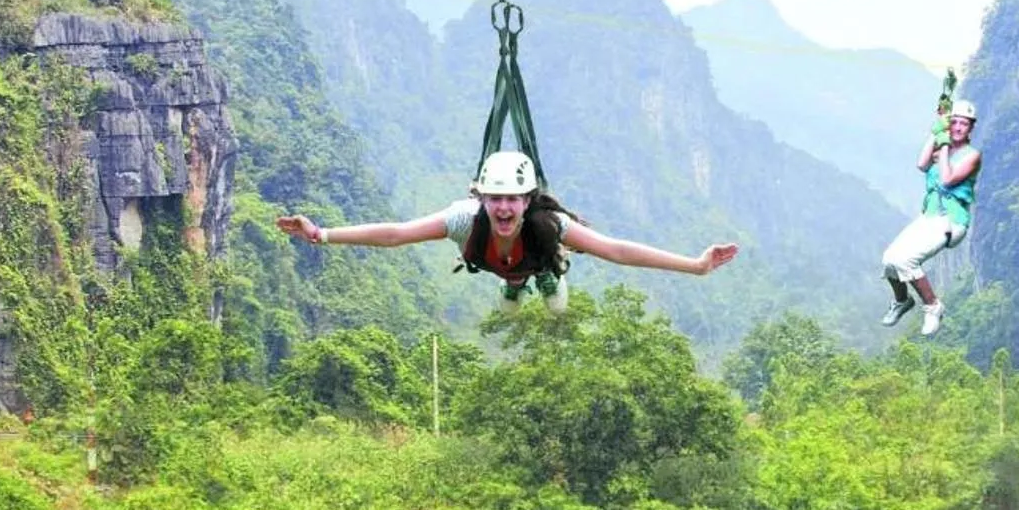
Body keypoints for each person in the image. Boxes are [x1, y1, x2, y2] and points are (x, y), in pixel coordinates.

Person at [275, 151, 740, 309]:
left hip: (536, 258)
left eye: (511, 199)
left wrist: (696, 266)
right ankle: (517, 286)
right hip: (498, 266)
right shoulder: (464, 219)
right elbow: (397, 234)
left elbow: (616, 250)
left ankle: (544, 279)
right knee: (510, 285)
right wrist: (322, 235)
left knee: (550, 296)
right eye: (494, 198)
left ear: (527, 199)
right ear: (481, 198)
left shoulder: (549, 225)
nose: (502, 207)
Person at [880, 102, 981, 336]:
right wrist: (936, 131)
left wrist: (944, 141)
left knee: (905, 261)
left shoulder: (972, 156)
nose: (957, 127)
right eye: (954, 122)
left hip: (951, 221)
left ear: (970, 128)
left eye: (963, 124)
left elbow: (947, 178)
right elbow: (922, 164)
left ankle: (933, 306)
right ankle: (902, 301)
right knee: (889, 260)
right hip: (929, 216)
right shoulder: (941, 150)